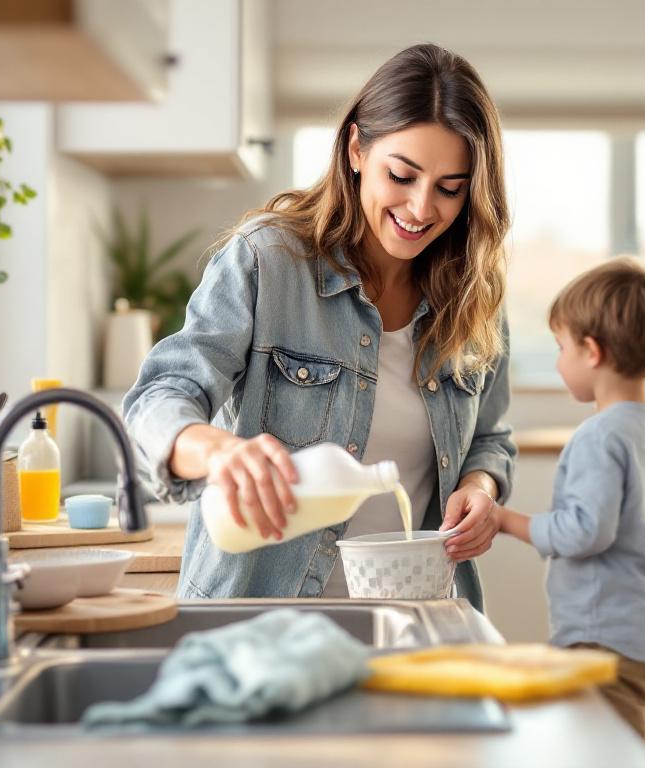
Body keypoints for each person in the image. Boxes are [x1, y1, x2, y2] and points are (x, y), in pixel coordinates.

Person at [122, 43, 515, 607]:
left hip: (414, 615)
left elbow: (491, 438)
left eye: (450, 188)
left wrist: (482, 486)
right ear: (356, 148)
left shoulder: (473, 296)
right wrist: (218, 452)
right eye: (402, 175)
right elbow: (160, 396)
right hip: (263, 618)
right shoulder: (268, 262)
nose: (422, 208)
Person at [492, 259, 645, 745]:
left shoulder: (600, 437)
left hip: (605, 644)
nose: (558, 361)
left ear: (592, 352)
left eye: (561, 347)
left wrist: (506, 520)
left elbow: (585, 531)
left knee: (600, 755)